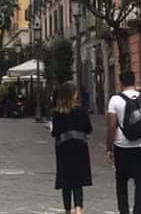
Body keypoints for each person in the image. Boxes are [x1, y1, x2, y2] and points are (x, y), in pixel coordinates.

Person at [106, 70, 141, 214]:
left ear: (121, 82)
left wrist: (109, 148)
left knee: (121, 183)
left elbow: (111, 126)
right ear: (135, 81)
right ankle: (138, 211)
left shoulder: (115, 100)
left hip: (122, 147)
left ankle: (124, 211)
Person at [52, 81, 92, 214]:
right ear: (73, 94)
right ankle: (79, 207)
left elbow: (55, 132)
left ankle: (67, 209)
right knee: (78, 179)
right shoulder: (81, 111)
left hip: (63, 149)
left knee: (66, 180)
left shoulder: (57, 112)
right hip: (80, 148)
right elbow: (88, 128)